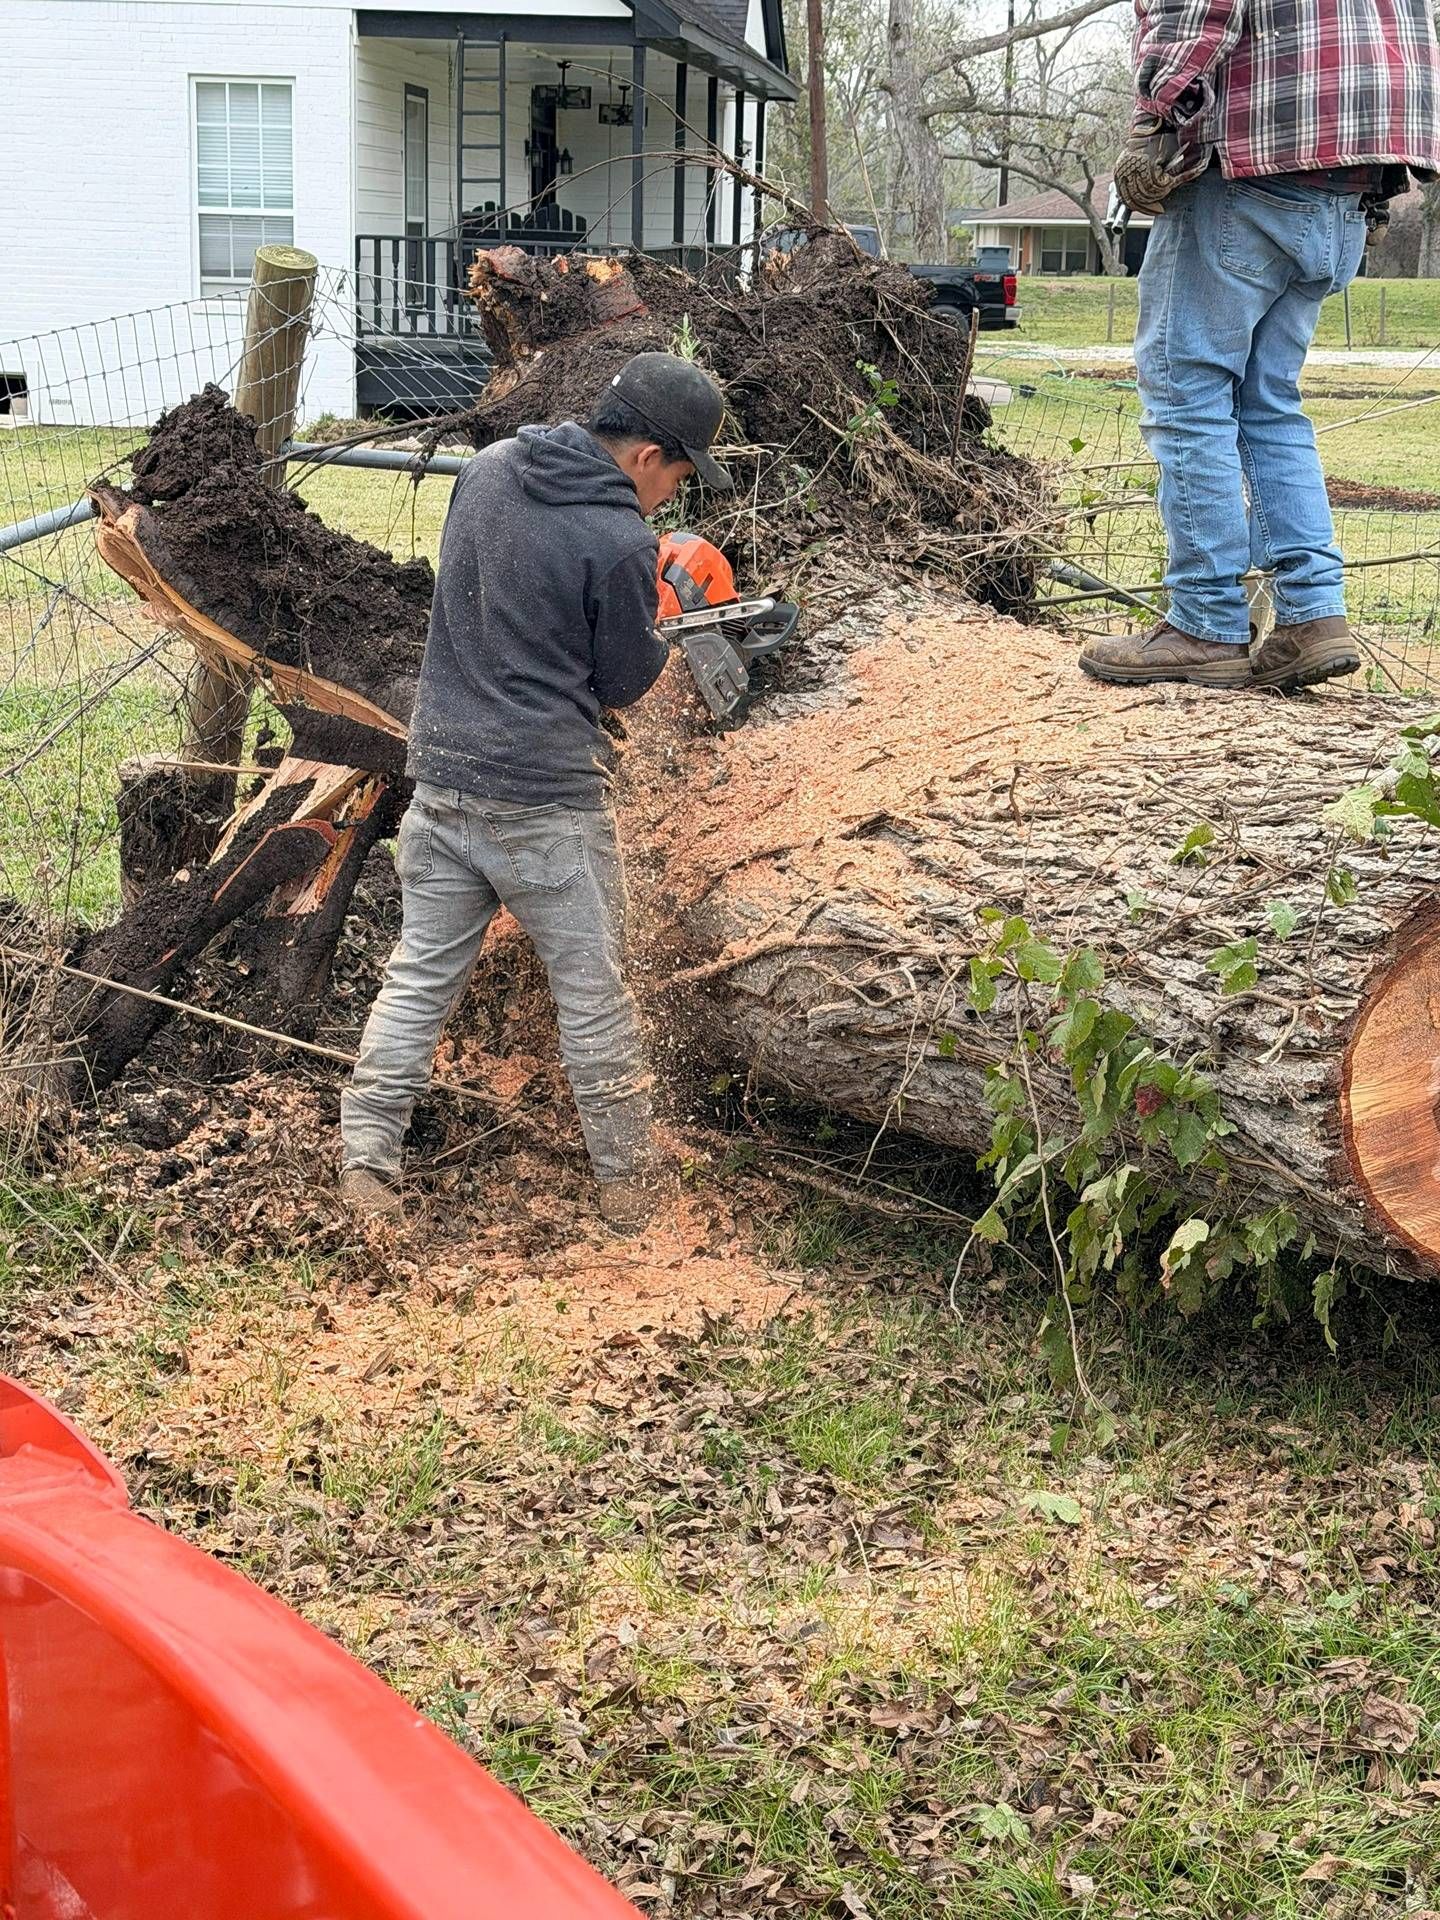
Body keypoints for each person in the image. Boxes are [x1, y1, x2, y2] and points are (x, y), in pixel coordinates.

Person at [338, 353, 732, 1232]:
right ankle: (631, 1190)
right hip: (546, 803)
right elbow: (625, 681)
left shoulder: (484, 474)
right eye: (677, 476)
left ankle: (365, 1163)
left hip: (441, 779)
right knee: (593, 992)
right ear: (645, 457)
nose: (671, 495)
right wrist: (656, 605)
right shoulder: (623, 541)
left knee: (417, 981)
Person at [1079, 0, 1440, 691]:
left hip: (1251, 172)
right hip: (1350, 183)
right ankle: (1312, 615)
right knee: (1269, 401)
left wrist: (1154, 113)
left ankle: (1204, 623)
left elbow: (1195, 9)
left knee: (1186, 392)